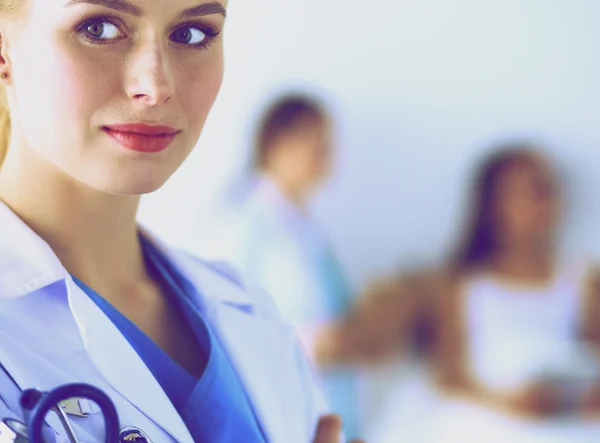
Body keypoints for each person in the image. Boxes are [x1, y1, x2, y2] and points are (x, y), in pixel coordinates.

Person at [0, 1, 364, 442]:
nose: (155, 85)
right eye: (99, 28)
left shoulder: (250, 311)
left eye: (192, 34)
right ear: (4, 51)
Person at [354, 144, 600, 443]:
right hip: (487, 410)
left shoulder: (580, 277)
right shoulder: (461, 283)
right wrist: (507, 403)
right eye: (524, 194)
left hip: (561, 415)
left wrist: (576, 399)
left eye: (546, 191)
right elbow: (450, 375)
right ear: (492, 206)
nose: (539, 205)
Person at [197, 94, 364, 439]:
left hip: (323, 391)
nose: (324, 157)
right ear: (275, 145)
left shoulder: (308, 230)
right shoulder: (244, 225)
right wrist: (312, 343)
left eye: (326, 145)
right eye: (313, 143)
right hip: (274, 400)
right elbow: (223, 322)